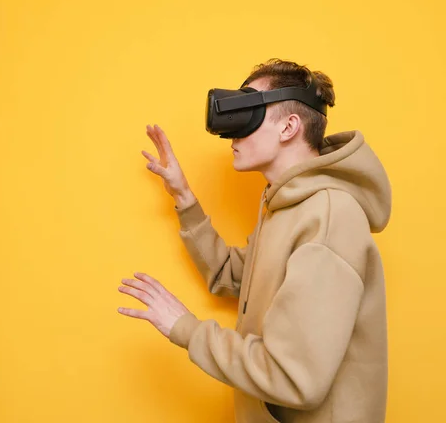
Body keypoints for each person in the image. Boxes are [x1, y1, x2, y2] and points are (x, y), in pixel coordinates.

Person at [117, 58, 392, 423]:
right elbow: (232, 276)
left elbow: (295, 378)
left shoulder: (327, 217)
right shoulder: (284, 205)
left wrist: (186, 328)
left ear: (289, 127)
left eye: (247, 112)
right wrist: (184, 197)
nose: (232, 135)